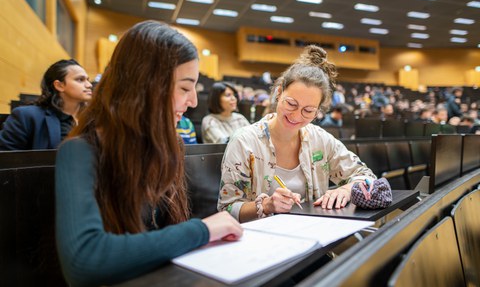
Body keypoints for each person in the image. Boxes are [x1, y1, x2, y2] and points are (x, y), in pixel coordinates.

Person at [55, 21, 243, 286]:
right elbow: (84, 261)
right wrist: (202, 229)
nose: (193, 102)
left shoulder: (169, 147)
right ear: (146, 86)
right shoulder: (79, 151)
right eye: (185, 88)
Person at [218, 45, 377, 223]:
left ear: (318, 111)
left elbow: (367, 176)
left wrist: (346, 190)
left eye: (308, 111)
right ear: (279, 93)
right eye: (291, 104)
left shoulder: (320, 139)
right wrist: (266, 205)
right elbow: (227, 209)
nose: (296, 116)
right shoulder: (245, 141)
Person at [0, 59, 92, 150]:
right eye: (80, 80)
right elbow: (6, 159)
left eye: (88, 80)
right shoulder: (26, 116)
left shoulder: (94, 119)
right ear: (59, 85)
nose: (89, 85)